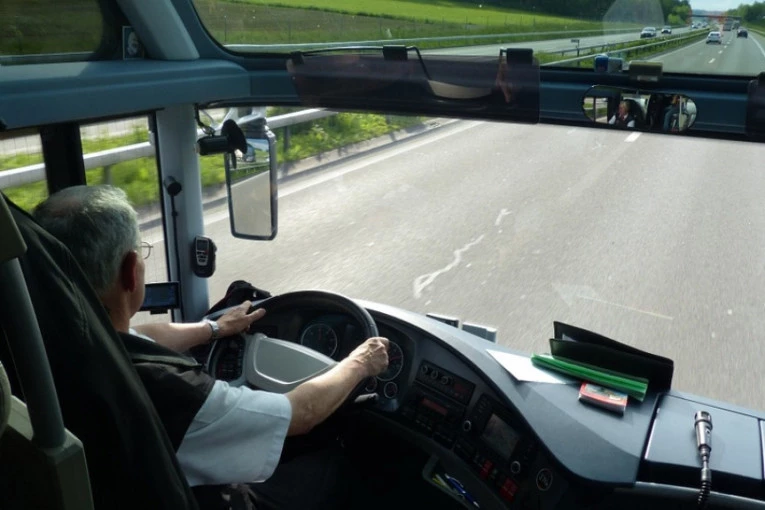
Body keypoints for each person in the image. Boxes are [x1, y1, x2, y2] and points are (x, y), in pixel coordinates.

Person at [33, 184, 390, 509]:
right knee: (333, 465)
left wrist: (214, 328)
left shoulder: (50, 342)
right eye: (140, 253)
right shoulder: (170, 390)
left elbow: (144, 335)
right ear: (131, 271)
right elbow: (303, 413)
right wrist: (360, 362)